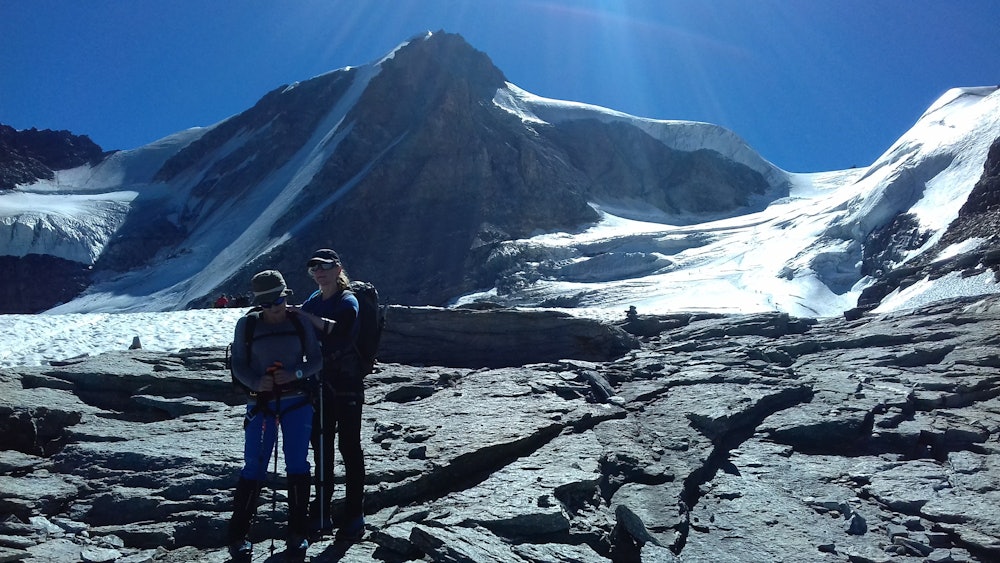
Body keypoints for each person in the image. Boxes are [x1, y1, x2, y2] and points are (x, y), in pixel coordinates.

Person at [226, 270, 322, 563]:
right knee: (254, 465)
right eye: (266, 304)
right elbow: (238, 365)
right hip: (261, 402)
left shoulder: (299, 321)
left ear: (286, 295)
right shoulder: (247, 325)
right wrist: (256, 383)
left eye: (278, 300)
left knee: (297, 464)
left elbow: (317, 360)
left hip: (296, 402)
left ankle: (297, 532)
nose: (274, 308)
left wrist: (295, 373)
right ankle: (238, 535)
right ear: (258, 303)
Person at [293, 249, 366, 542]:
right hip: (322, 385)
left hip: (346, 385)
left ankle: (352, 514)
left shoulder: (348, 299)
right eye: (314, 267)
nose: (319, 271)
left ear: (337, 269)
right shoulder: (313, 301)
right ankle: (324, 513)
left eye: (324, 266)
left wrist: (303, 316)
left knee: (348, 448)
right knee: (323, 450)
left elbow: (342, 329)